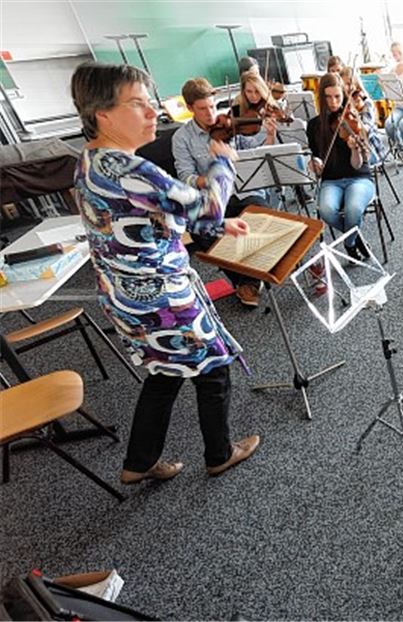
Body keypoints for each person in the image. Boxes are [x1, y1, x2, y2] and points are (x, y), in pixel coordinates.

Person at [70, 62, 260, 485]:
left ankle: (138, 462)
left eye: (151, 102)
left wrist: (216, 225)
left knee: (166, 370)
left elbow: (145, 215)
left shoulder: (89, 160)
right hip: (161, 299)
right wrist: (222, 164)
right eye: (138, 104)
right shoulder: (130, 168)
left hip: (124, 297)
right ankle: (219, 453)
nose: (153, 112)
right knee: (213, 365)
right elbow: (208, 204)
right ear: (103, 114)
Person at [172, 77, 276, 307]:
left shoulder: (229, 123)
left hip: (245, 188)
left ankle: (256, 272)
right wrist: (214, 176)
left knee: (263, 213)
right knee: (204, 233)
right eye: (202, 109)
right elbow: (185, 176)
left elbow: (254, 149)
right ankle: (244, 280)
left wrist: (268, 135)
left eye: (212, 106)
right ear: (190, 108)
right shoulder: (181, 138)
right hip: (216, 198)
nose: (210, 114)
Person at [306, 72, 376, 262]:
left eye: (337, 96)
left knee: (353, 209)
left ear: (344, 95)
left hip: (359, 178)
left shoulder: (353, 119)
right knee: (326, 210)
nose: (333, 102)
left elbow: (358, 164)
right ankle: (357, 236)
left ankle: (349, 244)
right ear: (321, 98)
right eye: (328, 97)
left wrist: (354, 149)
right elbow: (317, 161)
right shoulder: (314, 126)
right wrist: (315, 164)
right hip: (331, 181)